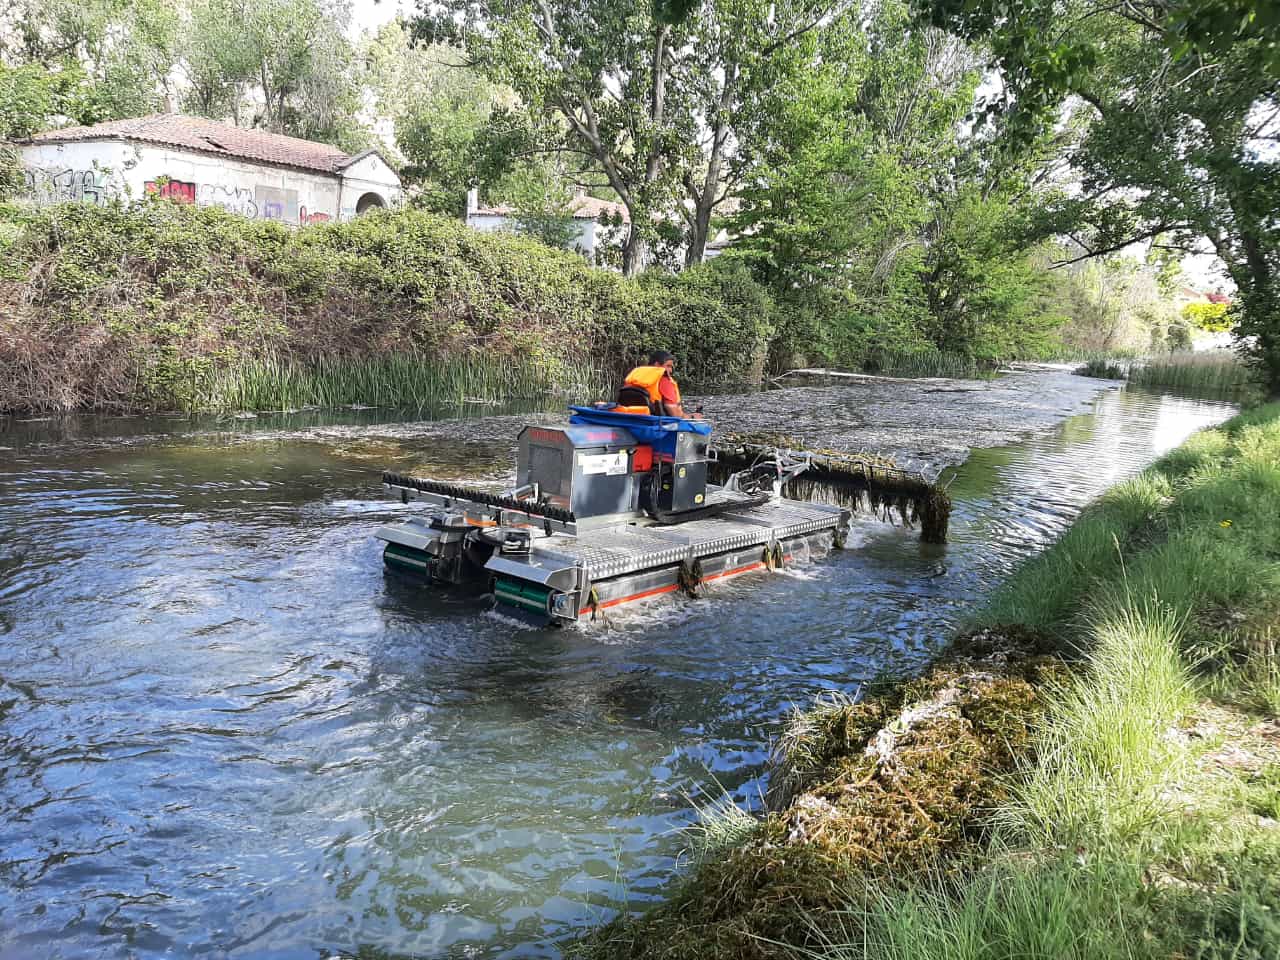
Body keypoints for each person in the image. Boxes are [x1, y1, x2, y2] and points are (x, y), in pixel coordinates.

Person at [616, 351, 701, 418]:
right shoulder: (664, 380)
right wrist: (692, 416)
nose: (671, 370)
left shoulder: (635, 376)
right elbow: (674, 412)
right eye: (668, 366)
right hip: (655, 423)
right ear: (657, 365)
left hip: (631, 419)